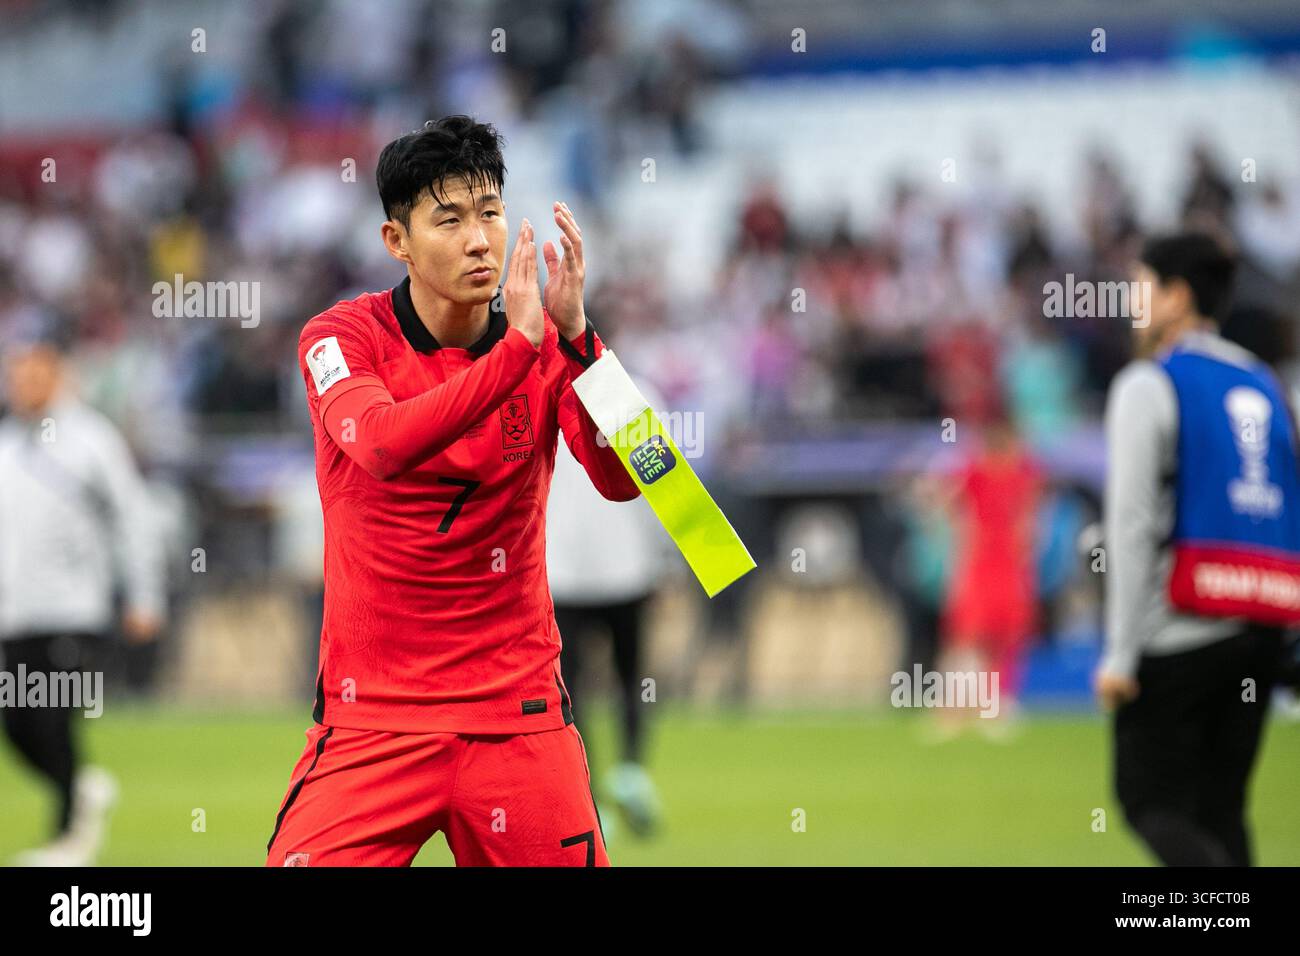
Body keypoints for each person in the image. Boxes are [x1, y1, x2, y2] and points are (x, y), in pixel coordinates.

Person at [266, 116, 642, 867]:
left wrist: (583, 340)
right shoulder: (340, 338)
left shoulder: (541, 339)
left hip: (517, 715)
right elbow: (381, 444)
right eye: (450, 219)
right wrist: (517, 355)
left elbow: (634, 477)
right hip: (373, 721)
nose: (479, 239)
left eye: (491, 212)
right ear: (396, 242)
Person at [1098, 232, 1293, 866]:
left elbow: (1130, 523)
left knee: (1148, 800)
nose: (1130, 302)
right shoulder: (1264, 383)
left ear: (1176, 296)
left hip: (1178, 629)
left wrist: (1121, 653)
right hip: (1260, 625)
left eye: (1140, 286)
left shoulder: (1149, 383)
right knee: (1220, 809)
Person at [0, 329, 166, 866]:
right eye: (17, 371)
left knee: (50, 715)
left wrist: (143, 595)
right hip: (15, 612)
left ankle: (69, 838)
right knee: (16, 724)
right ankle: (81, 789)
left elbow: (132, 518)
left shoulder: (90, 440)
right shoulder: (7, 443)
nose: (24, 382)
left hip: (73, 609)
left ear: (58, 372)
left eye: (34, 370)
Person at [547, 376, 670, 838]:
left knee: (570, 689)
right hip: (623, 566)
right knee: (631, 677)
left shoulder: (540, 388)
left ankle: (593, 795)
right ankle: (630, 774)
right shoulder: (631, 393)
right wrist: (664, 558)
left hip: (565, 569)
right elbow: (661, 477)